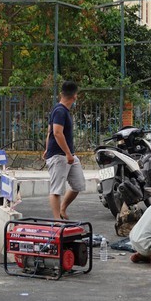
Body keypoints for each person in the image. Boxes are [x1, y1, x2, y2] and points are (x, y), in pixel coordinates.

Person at [44, 81, 85, 220]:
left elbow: (49, 132)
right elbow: (56, 133)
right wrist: (67, 153)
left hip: (68, 155)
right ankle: (57, 221)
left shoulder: (61, 110)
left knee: (78, 184)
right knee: (56, 190)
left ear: (61, 94)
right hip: (59, 156)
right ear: (75, 96)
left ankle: (62, 208)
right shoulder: (60, 111)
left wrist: (46, 148)